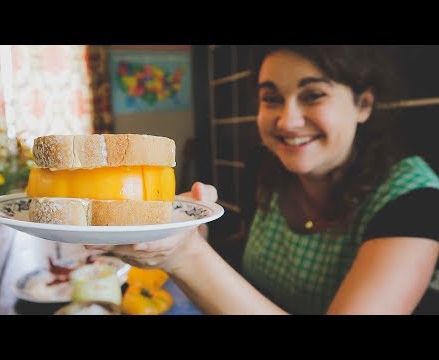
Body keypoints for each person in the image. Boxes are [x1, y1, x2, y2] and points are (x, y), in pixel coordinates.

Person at [89, 45, 439, 314]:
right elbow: (248, 255)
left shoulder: (415, 202)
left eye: (313, 95)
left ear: (363, 104)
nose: (287, 121)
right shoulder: (265, 166)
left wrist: (187, 255)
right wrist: (197, 231)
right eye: (271, 98)